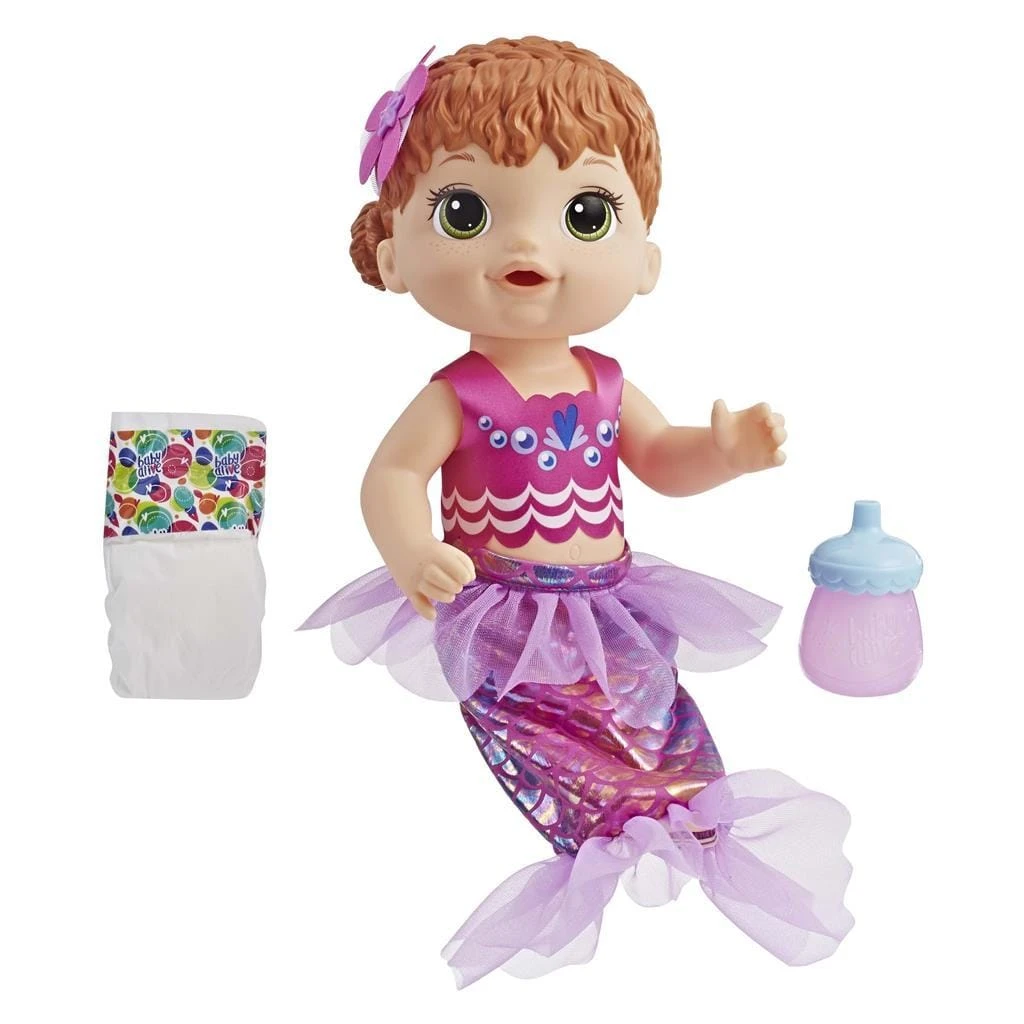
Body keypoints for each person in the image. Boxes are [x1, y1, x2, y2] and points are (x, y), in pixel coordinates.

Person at [303, 37, 853, 986]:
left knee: (654, 712)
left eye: (584, 215)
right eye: (467, 212)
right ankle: (601, 838)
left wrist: (721, 453)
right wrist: (411, 549)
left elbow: (660, 458)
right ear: (393, 254)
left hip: (611, 603)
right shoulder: (458, 394)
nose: (528, 248)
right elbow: (389, 476)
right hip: (503, 607)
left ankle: (684, 817)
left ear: (645, 260)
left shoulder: (605, 380)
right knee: (540, 734)